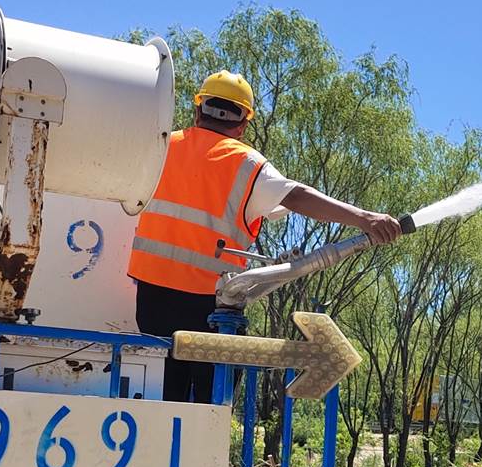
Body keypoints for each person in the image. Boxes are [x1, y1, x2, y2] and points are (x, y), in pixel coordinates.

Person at [127, 69, 402, 403]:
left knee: (161, 402)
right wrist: (364, 218)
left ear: (198, 109)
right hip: (208, 310)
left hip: (150, 304)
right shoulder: (247, 164)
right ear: (243, 123)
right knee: (210, 410)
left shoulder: (162, 146)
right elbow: (295, 195)